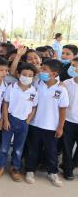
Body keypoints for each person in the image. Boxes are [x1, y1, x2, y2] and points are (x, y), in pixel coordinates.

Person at [25, 59, 69, 187]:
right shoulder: (37, 83)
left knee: (51, 151)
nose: (41, 71)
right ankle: (30, 170)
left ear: (54, 74)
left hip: (51, 126)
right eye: (42, 68)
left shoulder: (61, 89)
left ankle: (52, 172)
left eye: (44, 69)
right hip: (34, 124)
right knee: (32, 150)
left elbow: (62, 110)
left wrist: (60, 127)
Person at [0, 62, 38, 182]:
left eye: (30, 75)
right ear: (18, 74)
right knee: (3, 146)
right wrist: (6, 120)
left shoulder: (34, 91)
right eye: (24, 74)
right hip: (10, 119)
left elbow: (34, 107)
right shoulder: (11, 87)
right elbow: (5, 103)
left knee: (18, 147)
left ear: (33, 77)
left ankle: (15, 167)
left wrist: (28, 121)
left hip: (24, 122)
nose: (27, 77)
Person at [62, 57, 78, 180]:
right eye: (73, 65)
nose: (74, 68)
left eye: (76, 66)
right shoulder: (67, 83)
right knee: (67, 147)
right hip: (68, 121)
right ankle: (68, 169)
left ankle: (72, 164)